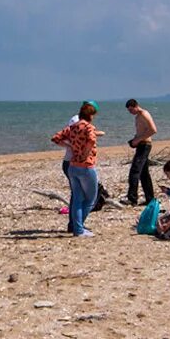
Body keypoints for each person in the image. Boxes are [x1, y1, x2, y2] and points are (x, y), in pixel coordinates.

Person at [51, 101, 102, 237]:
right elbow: (91, 140)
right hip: (86, 166)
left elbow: (56, 138)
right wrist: (85, 153)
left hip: (72, 166)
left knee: (78, 199)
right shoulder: (89, 127)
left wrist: (71, 147)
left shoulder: (72, 127)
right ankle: (78, 227)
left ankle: (77, 229)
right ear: (91, 115)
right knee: (91, 199)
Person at [123, 99, 157, 205]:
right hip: (141, 145)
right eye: (129, 111)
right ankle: (150, 198)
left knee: (134, 171)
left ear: (136, 106)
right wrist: (135, 140)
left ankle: (132, 198)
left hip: (145, 145)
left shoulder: (144, 114)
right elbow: (143, 131)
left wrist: (138, 140)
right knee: (143, 173)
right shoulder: (138, 116)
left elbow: (153, 130)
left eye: (131, 110)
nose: (131, 113)